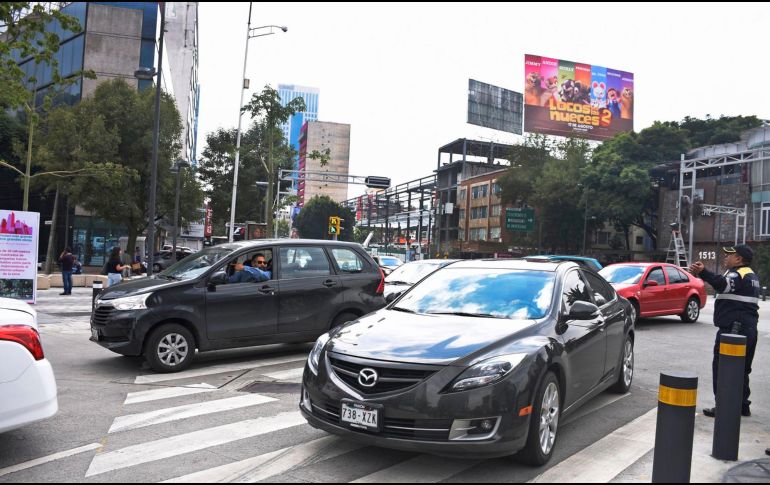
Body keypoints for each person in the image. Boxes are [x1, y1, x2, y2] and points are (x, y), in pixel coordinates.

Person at [689, 244, 760, 418]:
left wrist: (703, 272)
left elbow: (721, 284)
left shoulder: (738, 274)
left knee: (723, 368)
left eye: (730, 255)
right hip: (747, 328)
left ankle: (723, 406)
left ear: (739, 259)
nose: (725, 257)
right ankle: (742, 405)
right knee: (741, 369)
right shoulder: (750, 275)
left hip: (734, 330)